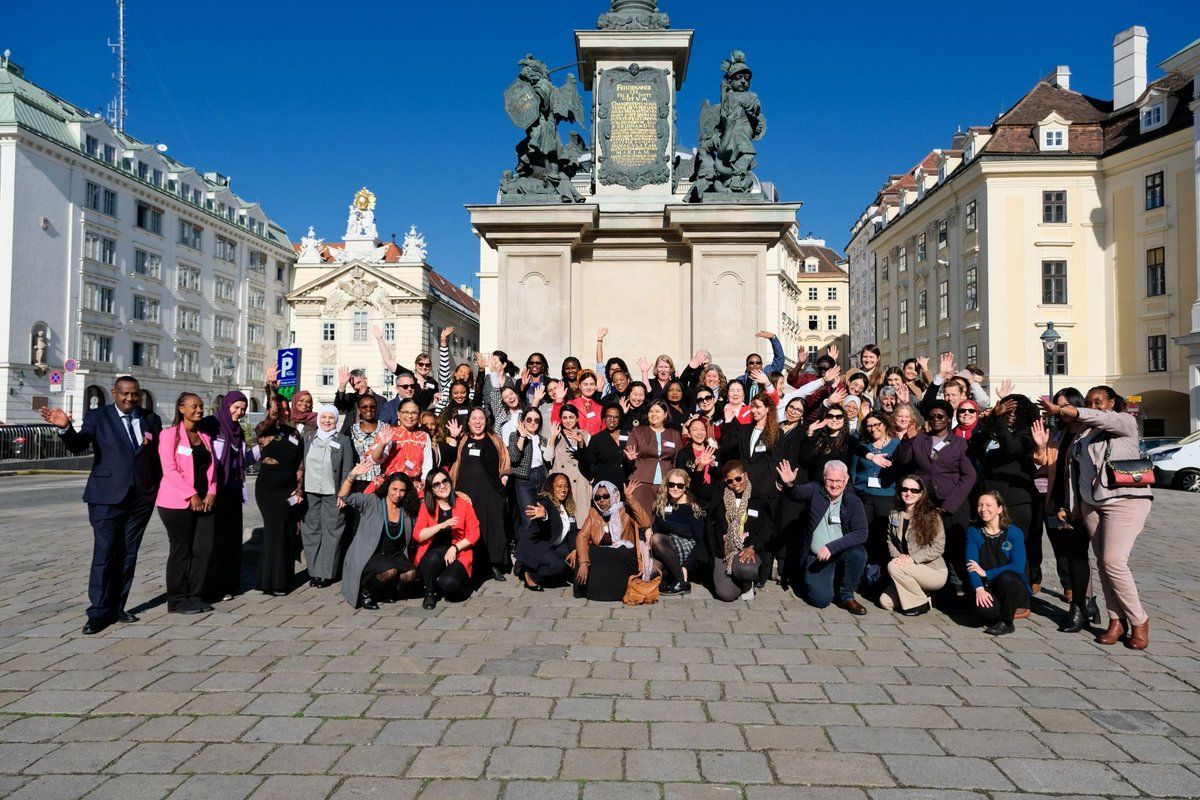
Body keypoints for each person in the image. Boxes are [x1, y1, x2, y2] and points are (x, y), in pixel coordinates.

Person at [41, 376, 163, 634]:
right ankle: (97, 612)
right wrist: (65, 428)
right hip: (106, 497)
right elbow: (78, 445)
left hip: (140, 499)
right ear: (114, 394)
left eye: (134, 394)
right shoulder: (98, 417)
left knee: (129, 553)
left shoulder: (150, 419)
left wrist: (156, 490)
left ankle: (118, 606)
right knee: (105, 552)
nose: (130, 399)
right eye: (125, 394)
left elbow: (155, 458)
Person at [1042, 386, 1153, 650]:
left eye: (1099, 402)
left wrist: (1060, 409)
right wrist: (1071, 507)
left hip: (1124, 501)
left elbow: (1102, 418)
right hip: (1091, 505)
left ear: (1112, 403)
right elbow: (1075, 472)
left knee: (1113, 561)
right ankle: (1116, 620)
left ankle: (1139, 620)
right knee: (1103, 565)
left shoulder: (1123, 422)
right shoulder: (1084, 433)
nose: (1094, 406)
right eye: (1090, 402)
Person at [1031, 388, 1101, 633]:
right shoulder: (1058, 432)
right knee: (1073, 553)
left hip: (1086, 499)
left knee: (1100, 558)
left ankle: (1088, 603)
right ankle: (1081, 606)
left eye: (1063, 405)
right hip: (1060, 499)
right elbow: (1045, 462)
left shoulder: (1089, 430)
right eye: (1056, 405)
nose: (1058, 410)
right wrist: (1040, 447)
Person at [893, 399, 977, 597]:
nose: (936, 419)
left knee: (957, 548)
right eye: (932, 416)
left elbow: (969, 475)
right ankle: (937, 588)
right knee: (928, 545)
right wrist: (907, 440)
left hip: (953, 503)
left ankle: (964, 588)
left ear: (949, 419)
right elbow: (901, 461)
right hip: (926, 502)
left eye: (941, 416)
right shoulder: (920, 439)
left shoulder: (960, 443)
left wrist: (951, 504)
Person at [776, 459, 869, 615]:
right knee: (821, 600)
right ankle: (818, 581)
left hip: (840, 552)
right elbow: (796, 494)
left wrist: (831, 547)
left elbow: (861, 533)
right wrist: (789, 485)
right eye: (830, 480)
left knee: (859, 553)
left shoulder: (853, 501)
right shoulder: (815, 490)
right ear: (824, 479)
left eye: (839, 481)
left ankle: (847, 596)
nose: (834, 485)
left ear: (846, 481)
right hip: (816, 557)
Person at [970, 394, 1040, 592]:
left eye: (1015, 412)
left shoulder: (1027, 434)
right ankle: (997, 591)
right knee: (994, 548)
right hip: (991, 500)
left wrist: (999, 421)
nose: (1010, 415)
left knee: (1015, 549)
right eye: (1007, 411)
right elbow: (975, 445)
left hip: (1016, 501)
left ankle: (1021, 597)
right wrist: (991, 418)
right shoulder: (993, 430)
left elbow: (1011, 448)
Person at [155, 392, 217, 615]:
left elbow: (212, 468)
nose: (199, 410)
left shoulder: (205, 437)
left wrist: (211, 491)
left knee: (205, 548)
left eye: (201, 406)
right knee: (181, 550)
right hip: (176, 502)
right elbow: (169, 469)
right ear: (181, 409)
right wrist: (192, 495)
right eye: (194, 406)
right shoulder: (169, 435)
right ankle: (177, 600)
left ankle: (196, 594)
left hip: (205, 500)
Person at [198, 390, 256, 601]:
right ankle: (210, 587)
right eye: (236, 407)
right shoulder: (210, 425)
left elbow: (240, 461)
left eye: (243, 409)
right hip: (213, 491)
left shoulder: (238, 431)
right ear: (227, 405)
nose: (239, 412)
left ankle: (229, 585)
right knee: (212, 541)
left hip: (232, 491)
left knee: (230, 541)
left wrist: (258, 451)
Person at [337, 467, 421, 609]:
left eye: (402, 490)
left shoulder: (407, 509)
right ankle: (366, 591)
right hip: (372, 553)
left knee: (410, 574)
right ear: (387, 487)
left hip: (394, 554)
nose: (398, 494)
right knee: (390, 571)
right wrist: (352, 475)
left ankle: (385, 590)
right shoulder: (372, 502)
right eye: (394, 489)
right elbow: (346, 497)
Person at [450, 407, 511, 582]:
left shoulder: (495, 440)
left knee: (494, 527)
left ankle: (494, 565)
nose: (478, 422)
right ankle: (471, 564)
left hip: (491, 493)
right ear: (468, 422)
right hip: (466, 493)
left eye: (481, 418)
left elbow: (505, 463)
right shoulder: (463, 440)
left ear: (486, 421)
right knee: (469, 527)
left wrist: (504, 481)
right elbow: (453, 461)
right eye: (474, 418)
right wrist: (454, 438)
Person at [300, 405, 356, 588]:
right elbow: (300, 465)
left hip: (333, 493)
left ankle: (326, 573)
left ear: (336, 420)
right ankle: (314, 571)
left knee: (332, 533)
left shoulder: (343, 440)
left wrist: (343, 494)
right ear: (318, 419)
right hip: (310, 492)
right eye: (323, 417)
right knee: (311, 532)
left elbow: (348, 468)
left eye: (330, 418)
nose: (327, 421)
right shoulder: (307, 438)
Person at [254, 396, 304, 596]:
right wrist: (272, 388)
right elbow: (273, 415)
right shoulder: (265, 430)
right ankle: (272, 582)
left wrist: (299, 488)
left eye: (286, 409)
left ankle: (282, 578)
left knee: (286, 531)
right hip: (268, 488)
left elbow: (299, 464)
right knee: (274, 531)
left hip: (288, 487)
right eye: (280, 409)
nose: (283, 412)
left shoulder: (293, 433)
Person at [878, 475, 946, 615]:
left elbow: (938, 547)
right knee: (886, 602)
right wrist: (899, 557)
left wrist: (912, 559)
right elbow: (890, 540)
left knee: (893, 566)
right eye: (905, 489)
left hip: (933, 571)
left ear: (921, 494)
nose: (909, 493)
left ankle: (920, 603)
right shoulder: (895, 514)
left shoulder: (932, 515)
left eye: (914, 490)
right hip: (906, 569)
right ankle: (924, 596)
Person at [413, 467, 480, 608]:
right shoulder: (427, 506)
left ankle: (448, 579)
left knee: (449, 584)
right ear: (432, 489)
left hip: (458, 551)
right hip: (434, 552)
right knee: (432, 559)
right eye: (436, 484)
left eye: (445, 481)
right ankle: (429, 592)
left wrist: (455, 548)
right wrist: (440, 526)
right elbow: (418, 535)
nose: (442, 486)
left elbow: (474, 533)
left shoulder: (463, 504)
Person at [574, 479, 651, 601]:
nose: (602, 501)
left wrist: (630, 498)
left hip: (623, 554)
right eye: (597, 498)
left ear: (614, 495)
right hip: (604, 552)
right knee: (586, 552)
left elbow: (645, 523)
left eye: (606, 496)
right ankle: (592, 591)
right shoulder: (594, 513)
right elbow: (582, 535)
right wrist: (584, 562)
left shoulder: (625, 509)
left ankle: (620, 591)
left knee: (619, 552)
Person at [705, 461, 772, 602]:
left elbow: (767, 528)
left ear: (745, 475)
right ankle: (736, 582)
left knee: (747, 569)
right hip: (724, 550)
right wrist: (700, 467)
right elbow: (698, 488)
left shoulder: (758, 496)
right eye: (730, 481)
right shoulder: (720, 492)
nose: (735, 483)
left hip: (746, 548)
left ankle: (747, 582)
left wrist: (753, 547)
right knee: (726, 595)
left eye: (738, 478)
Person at [965, 491, 1030, 636]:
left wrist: (987, 573)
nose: (983, 509)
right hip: (988, 586)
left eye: (989, 505)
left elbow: (1018, 566)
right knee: (986, 612)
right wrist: (979, 589)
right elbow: (971, 565)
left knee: (1006, 577)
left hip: (1012, 585)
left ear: (1000, 509)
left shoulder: (1014, 532)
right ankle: (1001, 610)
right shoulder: (973, 532)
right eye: (980, 505)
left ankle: (1007, 623)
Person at [852, 411, 899, 588]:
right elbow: (854, 471)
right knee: (864, 534)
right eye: (869, 426)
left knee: (882, 535)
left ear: (885, 424)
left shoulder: (895, 445)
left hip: (886, 496)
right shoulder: (863, 446)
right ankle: (862, 573)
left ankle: (880, 575)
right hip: (863, 494)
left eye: (876, 424)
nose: (872, 429)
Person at [517, 472, 578, 590]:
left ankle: (551, 574)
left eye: (566, 486)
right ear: (552, 488)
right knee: (558, 566)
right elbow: (544, 520)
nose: (563, 489)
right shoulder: (545, 501)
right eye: (559, 486)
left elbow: (573, 530)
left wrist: (575, 549)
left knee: (576, 554)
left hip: (554, 545)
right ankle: (531, 575)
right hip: (538, 546)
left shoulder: (567, 505)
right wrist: (544, 515)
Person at [650, 469, 705, 595]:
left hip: (686, 546)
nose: (675, 488)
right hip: (665, 547)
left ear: (686, 487)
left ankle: (681, 581)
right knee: (649, 572)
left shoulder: (692, 508)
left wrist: (686, 566)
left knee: (657, 539)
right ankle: (669, 577)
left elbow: (700, 541)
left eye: (680, 485)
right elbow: (657, 527)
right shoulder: (664, 503)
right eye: (672, 485)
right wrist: (649, 530)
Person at [624, 400, 683, 513]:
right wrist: (629, 459)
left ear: (665, 414)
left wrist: (675, 481)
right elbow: (627, 455)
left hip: (666, 483)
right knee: (641, 517)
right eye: (651, 411)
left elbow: (677, 460)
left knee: (663, 518)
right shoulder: (638, 431)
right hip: (641, 482)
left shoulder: (674, 434)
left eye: (657, 411)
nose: (653, 414)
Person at [509, 407, 551, 542]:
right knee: (528, 518)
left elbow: (548, 460)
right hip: (524, 480)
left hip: (542, 477)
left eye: (536, 420)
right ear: (523, 421)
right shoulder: (515, 436)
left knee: (541, 515)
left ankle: (538, 549)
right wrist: (522, 436)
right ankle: (523, 554)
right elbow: (514, 458)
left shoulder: (542, 439)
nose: (533, 422)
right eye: (529, 419)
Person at [549, 403, 592, 515]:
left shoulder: (585, 435)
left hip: (580, 481)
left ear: (577, 419)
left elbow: (589, 460)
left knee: (581, 519)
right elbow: (548, 457)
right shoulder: (556, 435)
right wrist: (553, 437)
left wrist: (581, 442)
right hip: (561, 484)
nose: (568, 421)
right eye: (564, 417)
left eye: (571, 417)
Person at [347, 395, 390, 494]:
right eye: (364, 407)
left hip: (381, 480)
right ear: (359, 409)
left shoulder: (385, 428)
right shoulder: (351, 430)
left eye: (372, 406)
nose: (368, 409)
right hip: (358, 480)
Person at [582, 404, 630, 490]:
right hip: (605, 486)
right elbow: (588, 462)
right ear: (604, 418)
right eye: (609, 416)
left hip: (625, 484)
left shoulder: (627, 434)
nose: (612, 420)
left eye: (616, 417)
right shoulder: (596, 439)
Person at [675, 416, 720, 506]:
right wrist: (694, 466)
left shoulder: (713, 451)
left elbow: (719, 476)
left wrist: (713, 466)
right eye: (695, 429)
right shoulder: (683, 453)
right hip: (692, 496)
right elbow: (680, 477)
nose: (699, 433)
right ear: (689, 434)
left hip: (712, 496)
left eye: (702, 429)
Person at [334, 367, 386, 435]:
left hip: (371, 437)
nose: (357, 387)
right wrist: (342, 385)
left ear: (366, 380)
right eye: (353, 385)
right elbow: (337, 407)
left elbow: (383, 422)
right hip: (349, 437)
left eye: (358, 382)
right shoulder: (350, 398)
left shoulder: (380, 400)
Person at [733, 331, 784, 400]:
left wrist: (773, 339)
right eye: (751, 363)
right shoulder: (740, 380)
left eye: (758, 362)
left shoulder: (768, 376)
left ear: (762, 365)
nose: (755, 365)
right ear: (747, 366)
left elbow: (779, 359)